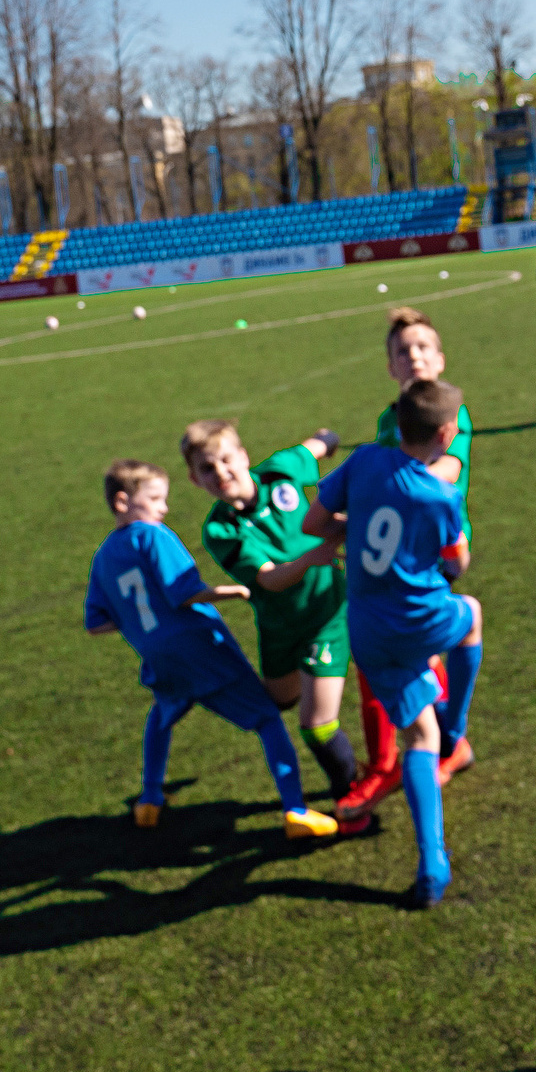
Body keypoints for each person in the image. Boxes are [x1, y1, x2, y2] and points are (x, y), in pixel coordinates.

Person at [82, 458, 337, 840]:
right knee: (267, 719)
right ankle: (295, 810)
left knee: (162, 715)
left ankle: (150, 797)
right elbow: (183, 593)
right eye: (154, 499)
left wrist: (138, 619)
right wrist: (232, 591)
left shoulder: (102, 557)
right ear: (122, 502)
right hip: (198, 648)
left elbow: (96, 623)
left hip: (158, 658)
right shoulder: (152, 536)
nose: (163, 508)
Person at [304, 380, 483, 909]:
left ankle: (433, 863)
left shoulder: (362, 462)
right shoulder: (441, 495)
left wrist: (353, 529)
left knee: (416, 736)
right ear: (448, 433)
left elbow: (316, 523)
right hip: (421, 617)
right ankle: (459, 727)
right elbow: (457, 565)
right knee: (470, 615)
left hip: (369, 631)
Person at [333, 307, 471, 826]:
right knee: (408, 660)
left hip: (428, 550)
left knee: (388, 653)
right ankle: (424, 747)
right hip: (391, 549)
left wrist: (370, 507)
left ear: (440, 358)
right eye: (401, 351)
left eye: (422, 348)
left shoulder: (451, 414)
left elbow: (447, 469)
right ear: (391, 367)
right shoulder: (390, 420)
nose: (413, 356)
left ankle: (414, 753)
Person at [186, 418, 361, 802]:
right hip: (278, 625)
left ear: (244, 456)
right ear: (194, 480)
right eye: (207, 469)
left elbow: (313, 446)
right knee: (276, 701)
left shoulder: (280, 471)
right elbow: (268, 580)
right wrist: (315, 555)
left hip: (326, 613)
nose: (221, 472)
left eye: (226, 459)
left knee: (316, 725)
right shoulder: (220, 531)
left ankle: (351, 793)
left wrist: (327, 439)